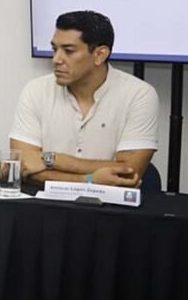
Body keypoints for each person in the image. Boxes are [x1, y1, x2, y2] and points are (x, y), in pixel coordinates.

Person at [9, 10, 159, 187]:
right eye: (54, 49)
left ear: (100, 55)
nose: (56, 59)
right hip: (47, 206)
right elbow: (21, 166)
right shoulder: (36, 90)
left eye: (68, 51)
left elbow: (128, 172)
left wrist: (52, 160)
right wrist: (87, 180)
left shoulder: (139, 95)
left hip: (112, 209)